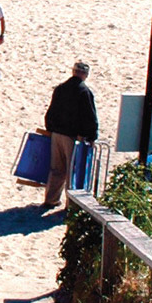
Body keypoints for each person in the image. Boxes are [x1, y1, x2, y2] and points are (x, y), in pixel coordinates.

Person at [40, 61, 97, 208]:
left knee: (56, 169)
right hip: (72, 137)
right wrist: (91, 136)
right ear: (85, 75)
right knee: (73, 171)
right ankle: (71, 204)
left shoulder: (60, 88)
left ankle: (51, 199)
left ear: (73, 72)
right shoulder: (84, 92)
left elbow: (51, 111)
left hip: (57, 134)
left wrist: (50, 129)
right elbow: (90, 117)